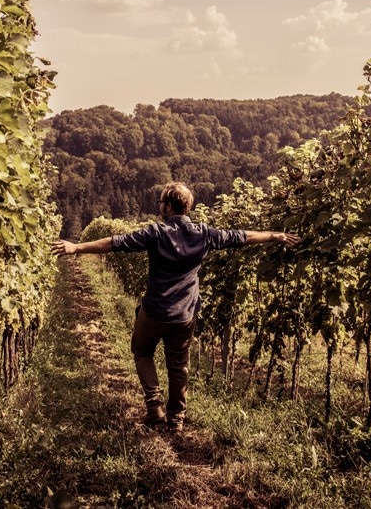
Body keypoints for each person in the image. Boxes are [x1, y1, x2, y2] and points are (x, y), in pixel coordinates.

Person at [51, 181, 301, 434]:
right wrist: (274, 235)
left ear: (169, 206)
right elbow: (241, 237)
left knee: (141, 351)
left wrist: (76, 248)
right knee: (178, 365)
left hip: (155, 312)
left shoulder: (156, 233)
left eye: (160, 202)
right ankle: (176, 419)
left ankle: (154, 409)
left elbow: (116, 243)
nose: (159, 205)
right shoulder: (205, 233)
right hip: (184, 315)